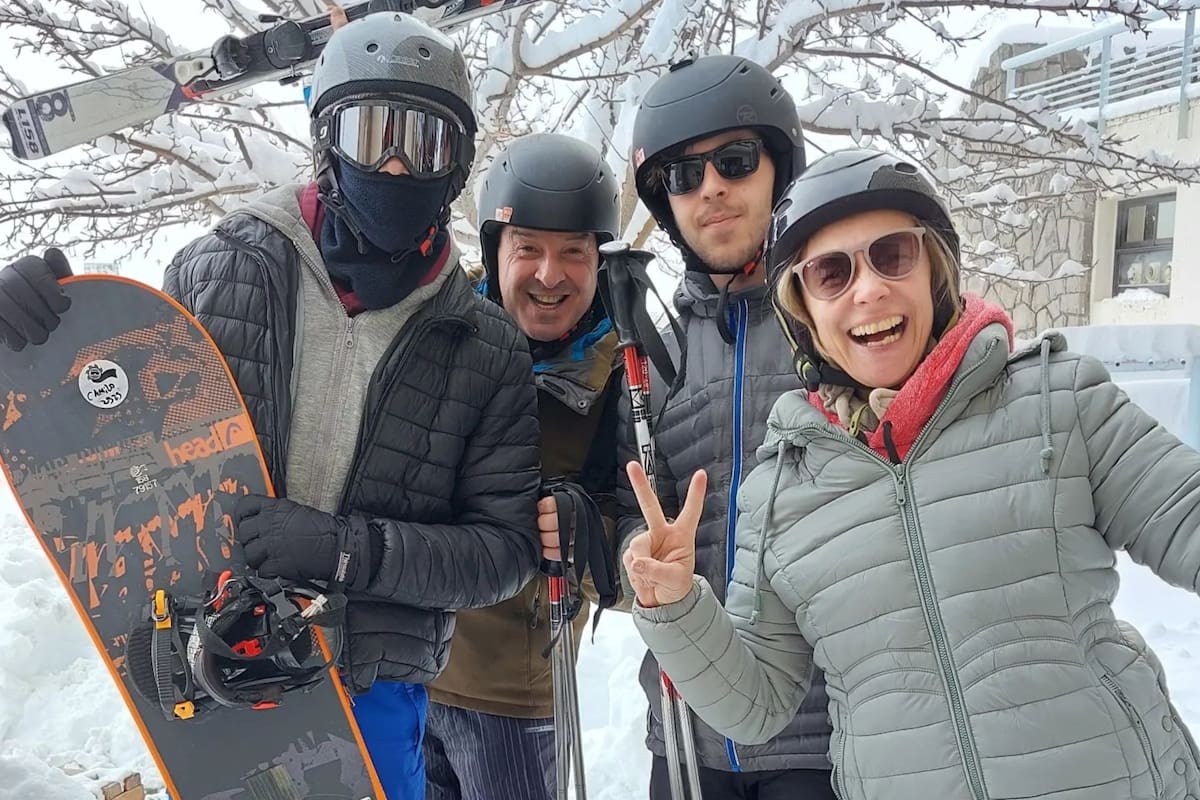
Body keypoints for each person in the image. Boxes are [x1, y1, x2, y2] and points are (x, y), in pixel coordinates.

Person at [0, 12, 542, 800]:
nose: (393, 167)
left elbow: (502, 552)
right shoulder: (221, 269)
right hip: (221, 664)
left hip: (371, 683)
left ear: (456, 168)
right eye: (370, 134)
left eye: (423, 144)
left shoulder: (485, 345)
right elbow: (119, 439)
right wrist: (45, 330)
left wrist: (346, 552)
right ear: (325, 140)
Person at [625, 146, 1200, 800]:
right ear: (804, 313)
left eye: (892, 254)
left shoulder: (1056, 404)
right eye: (831, 273)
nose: (867, 288)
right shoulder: (783, 489)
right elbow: (755, 705)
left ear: (934, 271)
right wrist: (676, 608)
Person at [617, 53, 836, 797]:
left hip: (820, 737)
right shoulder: (658, 348)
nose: (710, 187)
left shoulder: (839, 326)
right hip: (688, 736)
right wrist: (627, 549)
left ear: (778, 169)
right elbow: (629, 501)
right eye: (683, 176)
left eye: (735, 161)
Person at [423, 131, 624, 800]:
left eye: (574, 251)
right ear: (493, 253)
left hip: (513, 699)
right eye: (528, 249)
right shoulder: (434, 339)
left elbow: (636, 540)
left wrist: (586, 532)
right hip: (405, 674)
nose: (549, 274)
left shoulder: (624, 377)